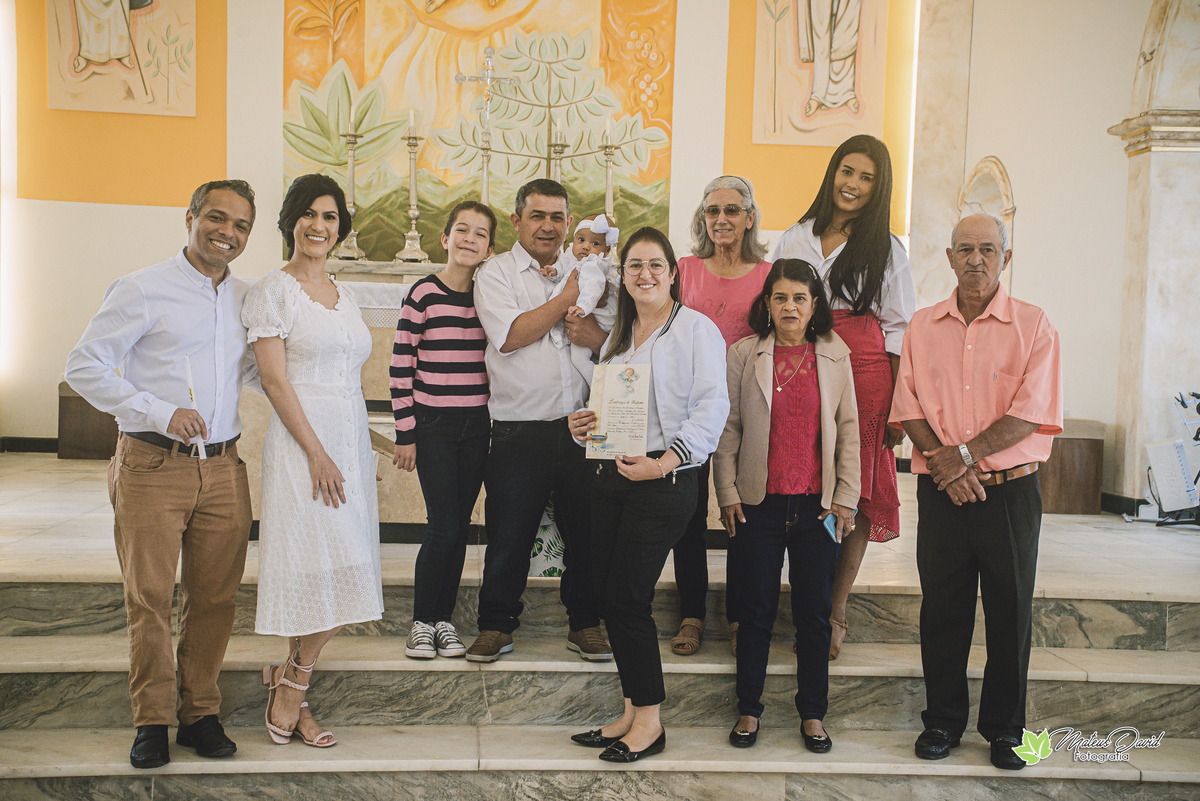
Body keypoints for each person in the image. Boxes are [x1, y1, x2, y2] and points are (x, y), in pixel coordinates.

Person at [64, 179, 259, 769]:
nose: (227, 233)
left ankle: (200, 713)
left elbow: (252, 373)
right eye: (217, 218)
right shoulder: (142, 288)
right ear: (191, 217)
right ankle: (151, 720)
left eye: (241, 226)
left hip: (224, 469)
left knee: (216, 598)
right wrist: (160, 410)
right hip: (152, 463)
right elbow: (83, 367)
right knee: (149, 597)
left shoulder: (248, 298)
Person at [890, 213, 1061, 771]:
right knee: (943, 610)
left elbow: (1030, 414)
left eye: (988, 249)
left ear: (1005, 257)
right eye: (965, 249)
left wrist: (961, 457)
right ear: (948, 257)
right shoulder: (921, 326)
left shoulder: (1035, 326)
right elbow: (907, 405)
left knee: (1009, 612)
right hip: (943, 497)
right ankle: (941, 722)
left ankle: (1007, 731)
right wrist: (948, 470)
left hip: (1010, 494)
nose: (976, 259)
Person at [567, 227, 728, 762]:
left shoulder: (696, 330)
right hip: (613, 476)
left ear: (673, 272)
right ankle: (631, 712)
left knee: (630, 599)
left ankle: (652, 724)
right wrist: (585, 424)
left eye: (655, 264)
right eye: (635, 265)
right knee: (613, 597)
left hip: (666, 478)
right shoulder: (620, 334)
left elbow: (712, 408)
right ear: (624, 275)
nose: (645, 274)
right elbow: (614, 409)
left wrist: (664, 463)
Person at [244, 173, 383, 748]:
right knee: (316, 563)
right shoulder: (272, 291)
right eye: (309, 214)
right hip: (304, 448)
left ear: (340, 227)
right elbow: (275, 381)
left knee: (337, 566)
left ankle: (287, 677)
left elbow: (348, 380)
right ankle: (293, 687)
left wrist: (366, 445)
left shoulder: (345, 294)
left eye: (329, 217)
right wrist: (318, 453)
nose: (318, 226)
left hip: (346, 444)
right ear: (291, 221)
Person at [770, 134, 916, 659]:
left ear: (879, 189)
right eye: (847, 172)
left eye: (866, 178)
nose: (853, 185)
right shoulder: (795, 236)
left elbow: (900, 329)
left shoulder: (888, 249)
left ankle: (833, 611)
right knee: (804, 478)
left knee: (855, 486)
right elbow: (775, 305)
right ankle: (796, 602)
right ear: (832, 173)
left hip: (866, 370)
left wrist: (900, 404)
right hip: (803, 361)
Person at [714, 259, 859, 753]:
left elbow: (849, 431)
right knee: (755, 612)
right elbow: (728, 429)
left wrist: (845, 498)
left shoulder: (835, 355)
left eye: (800, 297)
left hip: (818, 509)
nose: (790, 306)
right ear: (767, 305)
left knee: (814, 615)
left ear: (814, 304)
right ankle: (749, 710)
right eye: (780, 298)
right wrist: (728, 493)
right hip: (759, 505)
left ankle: (813, 714)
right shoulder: (744, 354)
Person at [469, 178, 611, 663]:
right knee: (509, 533)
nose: (548, 226)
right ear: (516, 221)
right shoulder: (495, 273)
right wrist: (563, 298)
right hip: (518, 428)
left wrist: (595, 336)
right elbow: (509, 335)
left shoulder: (592, 269)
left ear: (570, 223)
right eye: (537, 216)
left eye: (557, 217)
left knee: (587, 533)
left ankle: (586, 622)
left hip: (583, 426)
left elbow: (614, 337)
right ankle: (496, 624)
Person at [671, 175, 773, 658]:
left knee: (743, 513)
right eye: (713, 211)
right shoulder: (684, 269)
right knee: (688, 515)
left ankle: (739, 616)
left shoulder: (767, 274)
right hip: (690, 408)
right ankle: (692, 613)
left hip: (750, 408)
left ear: (749, 217)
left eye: (733, 210)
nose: (722, 219)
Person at [390, 201, 496, 659]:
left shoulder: (489, 297)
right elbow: (400, 366)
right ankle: (421, 622)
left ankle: (445, 623)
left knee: (460, 524)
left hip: (478, 426)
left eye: (480, 234)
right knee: (442, 526)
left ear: (490, 247)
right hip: (433, 425)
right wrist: (406, 432)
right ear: (445, 238)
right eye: (461, 230)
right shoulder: (423, 294)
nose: (469, 239)